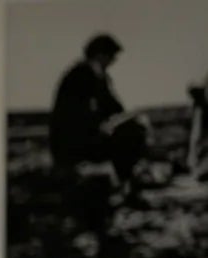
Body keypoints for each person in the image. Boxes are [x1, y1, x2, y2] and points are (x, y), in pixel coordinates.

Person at [51, 34, 151, 203]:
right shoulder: (79, 75)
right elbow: (74, 117)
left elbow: (114, 108)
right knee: (130, 133)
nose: (113, 61)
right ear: (99, 54)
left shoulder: (99, 77)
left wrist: (130, 118)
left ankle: (124, 185)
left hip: (86, 137)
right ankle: (122, 186)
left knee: (134, 128)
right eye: (111, 56)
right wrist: (107, 125)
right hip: (72, 143)